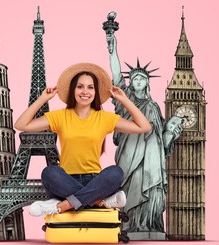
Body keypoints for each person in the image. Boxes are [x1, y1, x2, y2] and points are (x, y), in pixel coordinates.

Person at [14, 63, 152, 216]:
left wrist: (124, 99)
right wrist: (42, 99)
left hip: (95, 182)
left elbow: (144, 126)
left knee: (116, 172)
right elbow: (21, 124)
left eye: (90, 87)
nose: (85, 91)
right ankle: (97, 202)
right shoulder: (59, 116)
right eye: (80, 87)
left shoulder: (105, 118)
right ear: (73, 90)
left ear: (96, 92)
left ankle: (62, 205)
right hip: (65, 181)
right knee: (50, 172)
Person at [106, 34, 182, 232]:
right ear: (130, 82)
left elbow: (162, 135)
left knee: (149, 184)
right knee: (131, 183)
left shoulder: (153, 106)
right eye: (134, 78)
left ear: (147, 82)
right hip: (129, 150)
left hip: (151, 156)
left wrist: (172, 130)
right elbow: (116, 77)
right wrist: (113, 50)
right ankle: (130, 223)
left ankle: (146, 223)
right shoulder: (125, 100)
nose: (138, 80)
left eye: (142, 78)